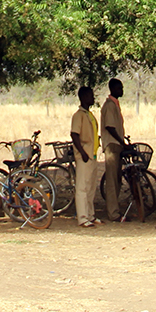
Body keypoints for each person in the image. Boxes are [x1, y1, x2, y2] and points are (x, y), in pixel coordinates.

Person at [70, 86, 101, 227]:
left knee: (90, 187)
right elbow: (74, 134)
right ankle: (82, 217)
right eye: (90, 96)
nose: (92, 98)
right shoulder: (78, 115)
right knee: (82, 187)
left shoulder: (89, 115)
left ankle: (90, 215)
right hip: (84, 155)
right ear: (83, 97)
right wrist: (82, 152)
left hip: (92, 155)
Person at [101, 79, 126, 221]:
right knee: (111, 180)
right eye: (119, 88)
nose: (122, 90)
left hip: (117, 144)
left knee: (117, 179)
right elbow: (110, 127)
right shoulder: (110, 106)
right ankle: (113, 213)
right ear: (113, 89)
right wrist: (121, 141)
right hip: (112, 144)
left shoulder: (115, 105)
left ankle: (115, 209)